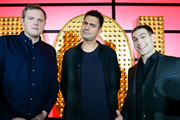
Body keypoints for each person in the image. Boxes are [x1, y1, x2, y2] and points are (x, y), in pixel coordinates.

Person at [0, 4, 59, 120]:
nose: (35, 23)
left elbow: (53, 85)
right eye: (31, 18)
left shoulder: (50, 51)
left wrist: (44, 113)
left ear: (44, 24)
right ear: (22, 21)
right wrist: (9, 116)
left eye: (40, 20)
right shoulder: (4, 43)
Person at [60, 10, 121, 120]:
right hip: (76, 116)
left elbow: (115, 82)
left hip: (105, 116)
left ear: (99, 30)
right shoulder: (70, 54)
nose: (86, 28)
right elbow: (64, 84)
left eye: (92, 25)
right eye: (85, 23)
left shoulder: (109, 54)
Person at [118, 25, 180, 120]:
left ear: (153, 37)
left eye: (143, 37)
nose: (139, 42)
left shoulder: (175, 64)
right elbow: (130, 102)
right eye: (135, 39)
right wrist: (123, 117)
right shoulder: (132, 71)